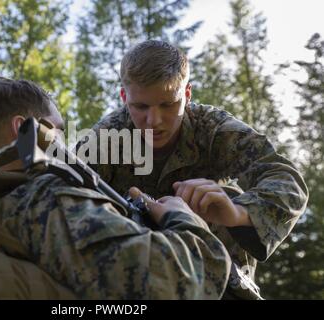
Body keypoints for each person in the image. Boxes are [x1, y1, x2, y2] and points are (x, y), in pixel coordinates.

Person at [0, 78, 232, 299]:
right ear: (23, 129)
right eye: (58, 131)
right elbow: (173, 284)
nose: (63, 144)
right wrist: (184, 219)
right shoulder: (46, 198)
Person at [77, 40, 309, 283]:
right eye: (140, 106)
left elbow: (287, 180)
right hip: (133, 268)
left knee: (223, 195)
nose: (154, 120)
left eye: (168, 104)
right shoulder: (106, 139)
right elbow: (58, 189)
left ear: (187, 94)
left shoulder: (213, 129)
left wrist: (237, 213)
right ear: (124, 97)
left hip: (215, 271)